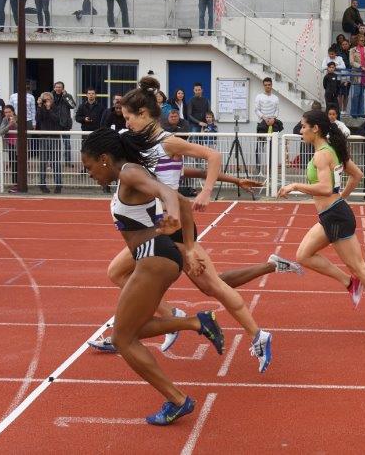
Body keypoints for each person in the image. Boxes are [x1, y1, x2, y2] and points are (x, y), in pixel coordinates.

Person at [88, 76, 300, 360]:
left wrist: (207, 192)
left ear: (144, 114)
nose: (126, 124)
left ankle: (257, 335)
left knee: (213, 285)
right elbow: (182, 173)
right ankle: (163, 318)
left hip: (173, 226)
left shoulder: (168, 141)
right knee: (131, 274)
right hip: (156, 227)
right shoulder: (141, 147)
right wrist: (234, 179)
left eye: (129, 118)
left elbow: (211, 156)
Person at [80, 127, 224, 424]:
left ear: (104, 158)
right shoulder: (129, 174)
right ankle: (197, 322)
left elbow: (169, 193)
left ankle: (177, 400)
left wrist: (171, 212)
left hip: (153, 257)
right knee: (134, 331)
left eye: (89, 167)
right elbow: (173, 197)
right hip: (155, 255)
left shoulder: (130, 172)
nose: (90, 174)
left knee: (122, 339)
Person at [277, 109, 365, 339]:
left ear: (316, 129)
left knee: (360, 267)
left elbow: (325, 188)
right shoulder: (332, 150)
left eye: (304, 127)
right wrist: (341, 198)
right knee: (304, 255)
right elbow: (357, 175)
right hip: (332, 214)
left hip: (335, 217)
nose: (301, 131)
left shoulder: (322, 155)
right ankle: (349, 283)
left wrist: (295, 186)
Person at [0, 104, 18, 192]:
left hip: (20, 145)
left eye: (9, 112)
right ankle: (15, 184)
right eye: (5, 112)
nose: (7, 114)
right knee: (13, 164)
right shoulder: (4, 120)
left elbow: (24, 129)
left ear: (13, 112)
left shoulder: (18, 118)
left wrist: (15, 123)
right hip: (10, 144)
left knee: (20, 165)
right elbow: (1, 131)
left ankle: (21, 184)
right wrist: (9, 125)